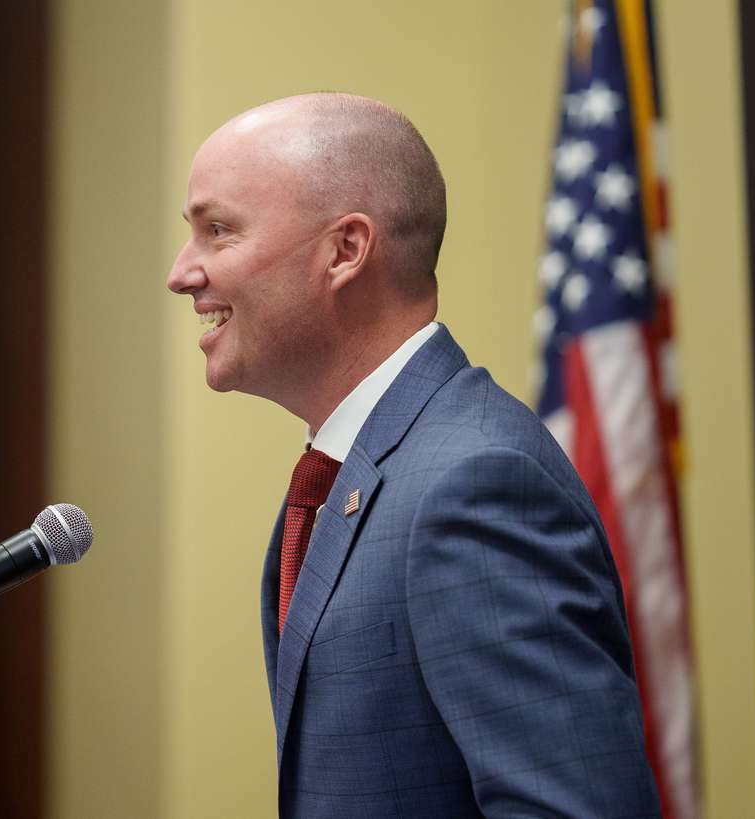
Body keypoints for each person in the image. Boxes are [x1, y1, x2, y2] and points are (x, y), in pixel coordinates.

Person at [166, 92, 661, 818]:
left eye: (217, 231)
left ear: (345, 250)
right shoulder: (351, 471)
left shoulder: (476, 482)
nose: (182, 272)